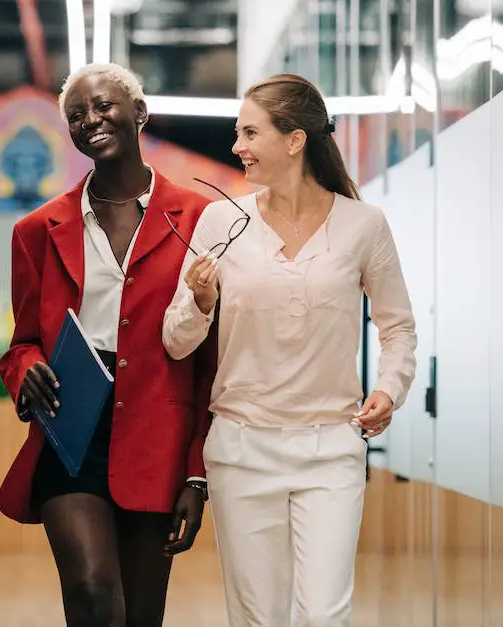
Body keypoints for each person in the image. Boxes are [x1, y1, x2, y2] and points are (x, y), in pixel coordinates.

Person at [162, 74, 417, 627]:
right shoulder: (221, 221)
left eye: (250, 132)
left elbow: (398, 329)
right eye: (238, 133)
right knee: (258, 618)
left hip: (331, 451)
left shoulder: (363, 225)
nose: (237, 147)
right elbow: (176, 342)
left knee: (325, 615)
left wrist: (389, 389)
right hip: (240, 450)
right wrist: (199, 301)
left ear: (295, 140)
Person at [0, 63, 217, 627]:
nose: (90, 120)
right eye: (76, 115)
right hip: (70, 430)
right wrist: (27, 370)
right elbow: (21, 343)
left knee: (141, 615)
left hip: (158, 435)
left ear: (139, 113)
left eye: (103, 107)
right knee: (93, 592)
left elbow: (211, 362)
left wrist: (197, 473)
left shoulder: (200, 220)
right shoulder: (36, 231)